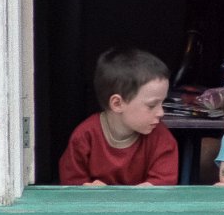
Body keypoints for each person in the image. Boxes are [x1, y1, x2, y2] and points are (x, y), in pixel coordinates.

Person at [59, 47, 178, 186]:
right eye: (152, 105)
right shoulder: (84, 137)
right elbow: (70, 186)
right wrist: (87, 190)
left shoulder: (162, 139)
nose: (161, 113)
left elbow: (164, 188)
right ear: (117, 103)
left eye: (163, 103)